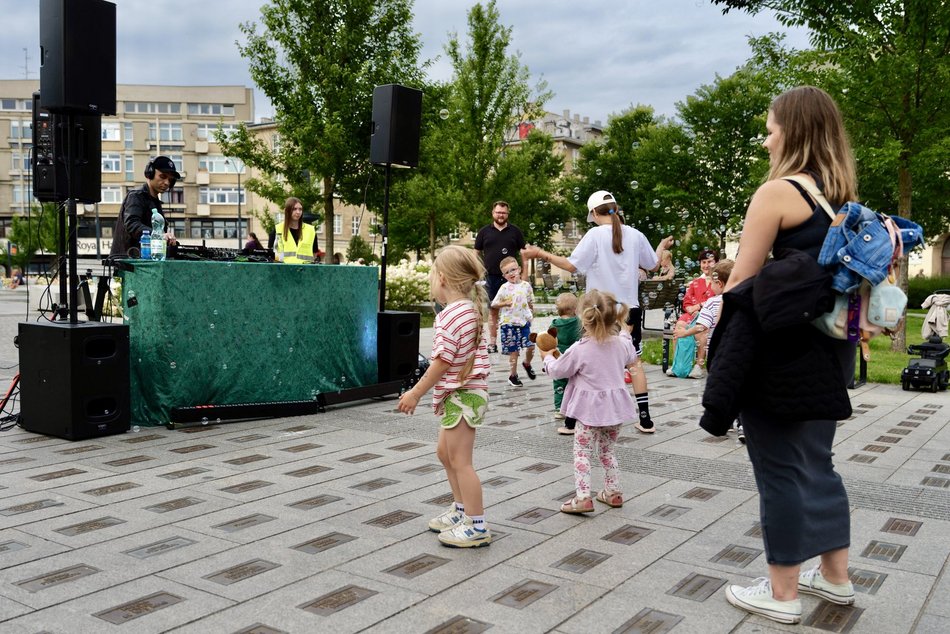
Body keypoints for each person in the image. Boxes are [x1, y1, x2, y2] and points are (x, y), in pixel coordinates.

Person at [713, 86, 859, 624]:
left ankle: (782, 594)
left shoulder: (776, 193)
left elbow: (742, 285)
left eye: (772, 127)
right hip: (831, 350)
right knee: (818, 463)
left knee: (778, 468)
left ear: (792, 130)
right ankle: (837, 578)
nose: (767, 136)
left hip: (780, 353)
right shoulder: (841, 197)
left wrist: (719, 350)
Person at [523, 190, 673, 434]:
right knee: (634, 364)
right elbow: (653, 264)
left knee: (585, 358)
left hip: (597, 309)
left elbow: (572, 266)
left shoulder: (594, 235)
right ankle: (645, 419)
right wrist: (660, 246)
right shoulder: (635, 234)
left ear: (593, 213)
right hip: (627, 310)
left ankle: (572, 420)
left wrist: (541, 253)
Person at [397, 245, 492, 548]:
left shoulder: (451, 315)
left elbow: (442, 361)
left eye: (433, 275)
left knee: (461, 461)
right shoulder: (468, 309)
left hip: (463, 394)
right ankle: (461, 510)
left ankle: (476, 525)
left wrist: (415, 392)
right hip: (463, 394)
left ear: (443, 279)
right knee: (445, 453)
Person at [540, 289, 637, 514]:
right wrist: (624, 332)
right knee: (607, 450)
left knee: (582, 452)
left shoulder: (579, 349)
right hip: (614, 411)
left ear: (582, 318)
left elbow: (557, 370)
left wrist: (546, 357)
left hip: (589, 412)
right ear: (614, 317)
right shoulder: (621, 344)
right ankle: (613, 492)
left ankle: (583, 497)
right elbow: (631, 356)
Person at [474, 201, 526, 353]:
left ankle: (511, 343)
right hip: (491, 277)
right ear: (493, 213)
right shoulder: (484, 232)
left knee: (514, 309)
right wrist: (476, 270)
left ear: (507, 214)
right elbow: (475, 254)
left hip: (512, 278)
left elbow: (524, 254)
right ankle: (492, 343)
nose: (500, 215)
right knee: (493, 311)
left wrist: (524, 274)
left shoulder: (515, 231)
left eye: (503, 213)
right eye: (498, 212)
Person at [673, 259, 733, 379]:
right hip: (734, 349)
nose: (710, 286)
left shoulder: (711, 302)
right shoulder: (738, 298)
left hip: (716, 352)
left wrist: (685, 333)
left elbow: (701, 327)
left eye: (712, 283)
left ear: (719, 284)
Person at [110, 156, 180, 258]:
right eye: (163, 176)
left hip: (146, 263)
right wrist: (159, 236)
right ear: (150, 173)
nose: (167, 183)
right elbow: (132, 224)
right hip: (128, 264)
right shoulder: (136, 196)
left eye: (170, 180)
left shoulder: (156, 203)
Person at [491, 256, 535, 387]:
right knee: (514, 351)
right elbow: (494, 303)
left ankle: (527, 363)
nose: (511, 273)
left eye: (513, 270)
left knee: (531, 346)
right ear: (504, 275)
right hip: (508, 323)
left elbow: (530, 301)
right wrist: (504, 303)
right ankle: (513, 376)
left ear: (519, 269)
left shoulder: (526, 285)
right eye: (507, 272)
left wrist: (531, 313)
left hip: (523, 322)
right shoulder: (504, 288)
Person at [551, 292, 581, 435]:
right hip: (574, 356)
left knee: (558, 383)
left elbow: (550, 339)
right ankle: (571, 407)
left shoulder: (554, 323)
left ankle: (558, 409)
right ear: (575, 310)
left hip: (559, 356)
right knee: (573, 384)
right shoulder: (577, 322)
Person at [675, 248, 719, 326]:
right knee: (680, 323)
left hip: (711, 318)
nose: (706, 265)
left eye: (709, 262)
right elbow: (687, 303)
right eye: (703, 262)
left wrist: (698, 306)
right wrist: (693, 310)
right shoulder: (695, 283)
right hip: (692, 316)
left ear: (716, 263)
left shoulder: (719, 282)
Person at [271, 197, 318, 264]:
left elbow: (314, 253)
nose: (298, 212)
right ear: (287, 211)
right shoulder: (278, 229)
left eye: (300, 209)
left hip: (305, 271)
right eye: (294, 209)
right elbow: (276, 256)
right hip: (285, 271)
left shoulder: (311, 230)